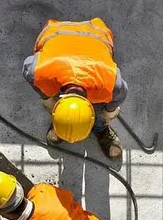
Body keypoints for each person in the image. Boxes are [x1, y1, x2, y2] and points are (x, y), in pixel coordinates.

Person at [22, 18, 128, 159]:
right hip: (57, 31)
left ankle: (100, 128)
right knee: (55, 98)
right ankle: (63, 123)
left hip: (95, 32)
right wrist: (47, 99)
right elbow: (28, 68)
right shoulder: (38, 72)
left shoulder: (111, 85)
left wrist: (107, 113)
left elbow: (120, 93)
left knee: (100, 110)